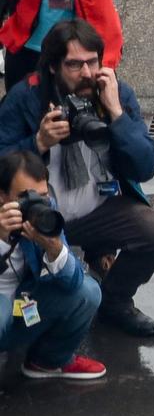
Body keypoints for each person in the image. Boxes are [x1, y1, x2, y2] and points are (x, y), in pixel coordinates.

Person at [0, 14, 154, 339]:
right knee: (42, 291)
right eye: (75, 65)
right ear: (53, 66)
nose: (88, 74)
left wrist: (117, 116)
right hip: (37, 217)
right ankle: (36, 323)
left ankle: (116, 302)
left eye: (93, 62)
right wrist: (37, 144)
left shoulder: (112, 93)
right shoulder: (26, 98)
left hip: (98, 210)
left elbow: (146, 165)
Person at [0, 142, 102, 377]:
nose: (36, 203)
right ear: (3, 196)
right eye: (25, 197)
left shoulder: (44, 211)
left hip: (23, 307)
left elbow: (73, 283)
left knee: (88, 292)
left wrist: (53, 247)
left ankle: (48, 361)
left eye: (42, 195)